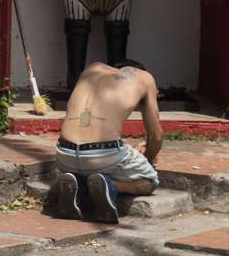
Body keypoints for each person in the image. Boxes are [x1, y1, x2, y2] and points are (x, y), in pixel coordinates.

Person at [51, 60, 162, 224]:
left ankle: (79, 187)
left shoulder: (92, 68)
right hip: (103, 154)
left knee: (95, 164)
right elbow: (156, 136)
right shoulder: (145, 78)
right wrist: (148, 159)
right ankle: (110, 187)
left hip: (64, 153)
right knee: (150, 181)